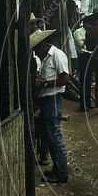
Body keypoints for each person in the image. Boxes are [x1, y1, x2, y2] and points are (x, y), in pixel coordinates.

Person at [31, 29, 70, 184]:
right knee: (50, 135)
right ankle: (58, 169)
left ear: (43, 46)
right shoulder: (45, 57)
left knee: (54, 136)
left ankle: (61, 173)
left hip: (53, 99)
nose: (36, 54)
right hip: (46, 100)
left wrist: (45, 83)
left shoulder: (57, 55)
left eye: (36, 50)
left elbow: (65, 79)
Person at [73, 17, 93, 111]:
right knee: (84, 82)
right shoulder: (78, 32)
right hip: (83, 57)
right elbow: (80, 44)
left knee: (88, 81)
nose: (90, 26)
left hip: (90, 56)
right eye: (89, 24)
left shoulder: (90, 31)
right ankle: (83, 105)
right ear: (85, 24)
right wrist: (88, 39)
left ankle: (88, 103)